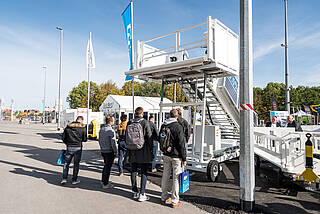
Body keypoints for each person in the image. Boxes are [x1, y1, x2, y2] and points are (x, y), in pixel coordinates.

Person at [160, 109, 187, 208]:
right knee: (176, 178)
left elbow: (161, 139)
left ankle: (164, 196)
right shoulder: (178, 127)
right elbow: (181, 144)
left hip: (166, 154)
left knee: (165, 175)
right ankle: (174, 200)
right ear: (177, 116)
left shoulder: (163, 125)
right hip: (176, 156)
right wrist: (184, 158)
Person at [126, 107, 152, 202]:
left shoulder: (130, 122)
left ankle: (135, 191)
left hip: (132, 150)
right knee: (143, 172)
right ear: (142, 113)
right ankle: (142, 193)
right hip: (143, 150)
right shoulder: (145, 122)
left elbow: (126, 136)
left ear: (135, 113)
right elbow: (149, 137)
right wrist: (150, 150)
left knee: (133, 170)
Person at [61, 116, 87, 185]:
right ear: (81, 120)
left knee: (66, 164)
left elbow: (63, 138)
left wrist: (67, 143)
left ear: (76, 120)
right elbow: (85, 139)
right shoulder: (82, 128)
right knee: (76, 164)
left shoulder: (68, 128)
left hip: (69, 147)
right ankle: (74, 180)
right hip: (78, 147)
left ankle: (64, 178)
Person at [98, 115, 117, 189]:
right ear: (111, 122)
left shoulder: (101, 129)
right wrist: (115, 151)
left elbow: (99, 140)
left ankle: (103, 180)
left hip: (103, 150)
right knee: (108, 167)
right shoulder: (111, 131)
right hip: (109, 151)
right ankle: (105, 183)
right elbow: (113, 142)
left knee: (105, 166)